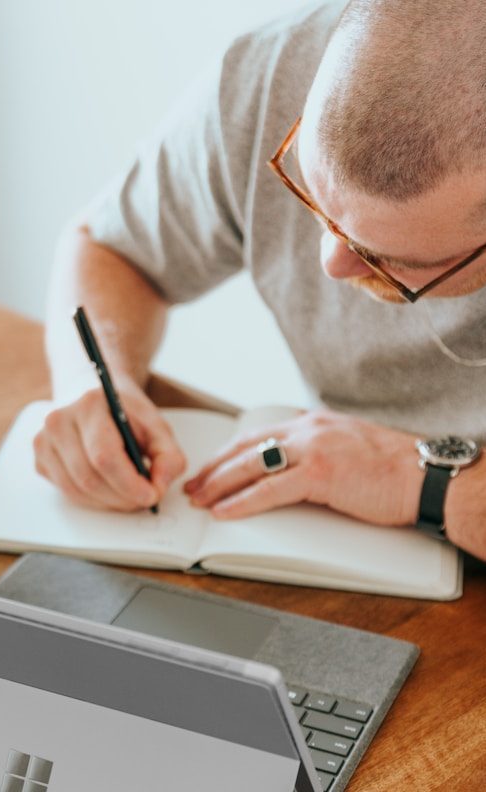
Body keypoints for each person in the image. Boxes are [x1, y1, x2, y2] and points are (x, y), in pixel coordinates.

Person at [33, 0, 486, 562]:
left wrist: (419, 480)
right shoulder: (269, 75)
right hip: (335, 535)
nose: (332, 262)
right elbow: (109, 248)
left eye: (384, 257)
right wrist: (91, 383)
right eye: (313, 199)